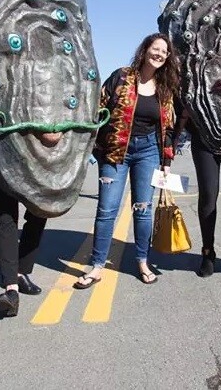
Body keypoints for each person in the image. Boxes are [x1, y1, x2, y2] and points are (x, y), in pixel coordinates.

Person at [74, 33, 179, 288]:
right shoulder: (121, 76)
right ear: (145, 50)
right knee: (107, 210)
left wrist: (166, 160)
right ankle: (97, 265)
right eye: (156, 49)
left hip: (149, 152)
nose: (160, 54)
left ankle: (143, 260)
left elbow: (169, 128)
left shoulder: (166, 87)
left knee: (142, 210)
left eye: (164, 52)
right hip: (115, 152)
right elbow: (98, 108)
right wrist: (93, 145)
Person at [174, 108, 221, 279]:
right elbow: (184, 94)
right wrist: (190, 126)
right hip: (204, 136)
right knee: (208, 194)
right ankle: (208, 252)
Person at [0, 182, 47, 316]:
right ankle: (11, 288)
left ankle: (21, 271)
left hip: (39, 164)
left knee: (40, 211)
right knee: (5, 216)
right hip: (2, 163)